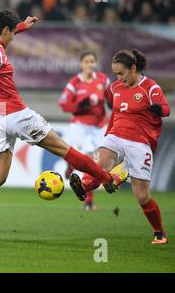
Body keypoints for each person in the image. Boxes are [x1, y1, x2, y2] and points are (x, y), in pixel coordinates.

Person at [0, 10, 128, 242]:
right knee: (65, 150)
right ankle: (107, 179)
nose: (13, 37)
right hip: (16, 115)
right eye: (12, 33)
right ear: (4, 31)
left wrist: (22, 26)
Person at [68, 49, 170, 245]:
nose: (119, 78)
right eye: (116, 74)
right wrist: (107, 135)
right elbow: (114, 114)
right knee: (99, 167)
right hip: (115, 135)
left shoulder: (150, 87)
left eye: (122, 73)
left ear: (133, 68)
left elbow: (165, 109)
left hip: (140, 142)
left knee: (142, 197)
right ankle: (83, 187)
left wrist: (159, 110)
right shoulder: (115, 88)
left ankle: (159, 233)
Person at [58, 52, 111, 211]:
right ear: (81, 64)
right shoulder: (74, 83)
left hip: (99, 126)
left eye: (92, 61)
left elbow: (112, 99)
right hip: (80, 126)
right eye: (86, 61)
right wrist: (79, 105)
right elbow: (63, 105)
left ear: (95, 63)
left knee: (97, 162)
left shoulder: (103, 80)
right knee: (89, 158)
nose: (89, 64)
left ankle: (71, 165)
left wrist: (112, 103)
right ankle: (88, 201)